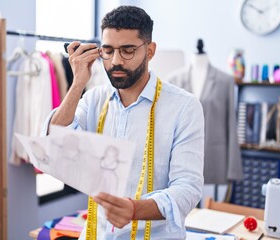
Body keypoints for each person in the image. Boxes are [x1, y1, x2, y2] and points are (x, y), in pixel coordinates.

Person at [43, 5, 204, 239]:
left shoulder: (184, 107)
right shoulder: (93, 99)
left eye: (127, 50)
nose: (116, 61)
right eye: (108, 50)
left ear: (150, 51)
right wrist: (77, 83)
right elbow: (55, 141)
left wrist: (134, 209)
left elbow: (187, 189)